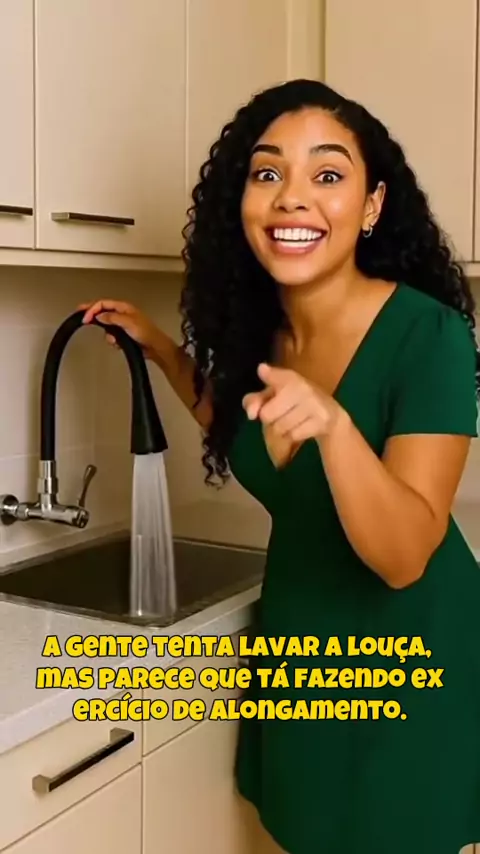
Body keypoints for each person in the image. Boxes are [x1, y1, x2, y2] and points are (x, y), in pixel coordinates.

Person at [80, 79, 480, 854]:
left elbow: (404, 556)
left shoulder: (429, 337)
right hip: (302, 647)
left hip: (411, 660)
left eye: (327, 174)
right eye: (268, 172)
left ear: (371, 205)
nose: (292, 196)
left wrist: (337, 429)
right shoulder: (259, 336)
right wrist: (159, 349)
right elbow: (237, 423)